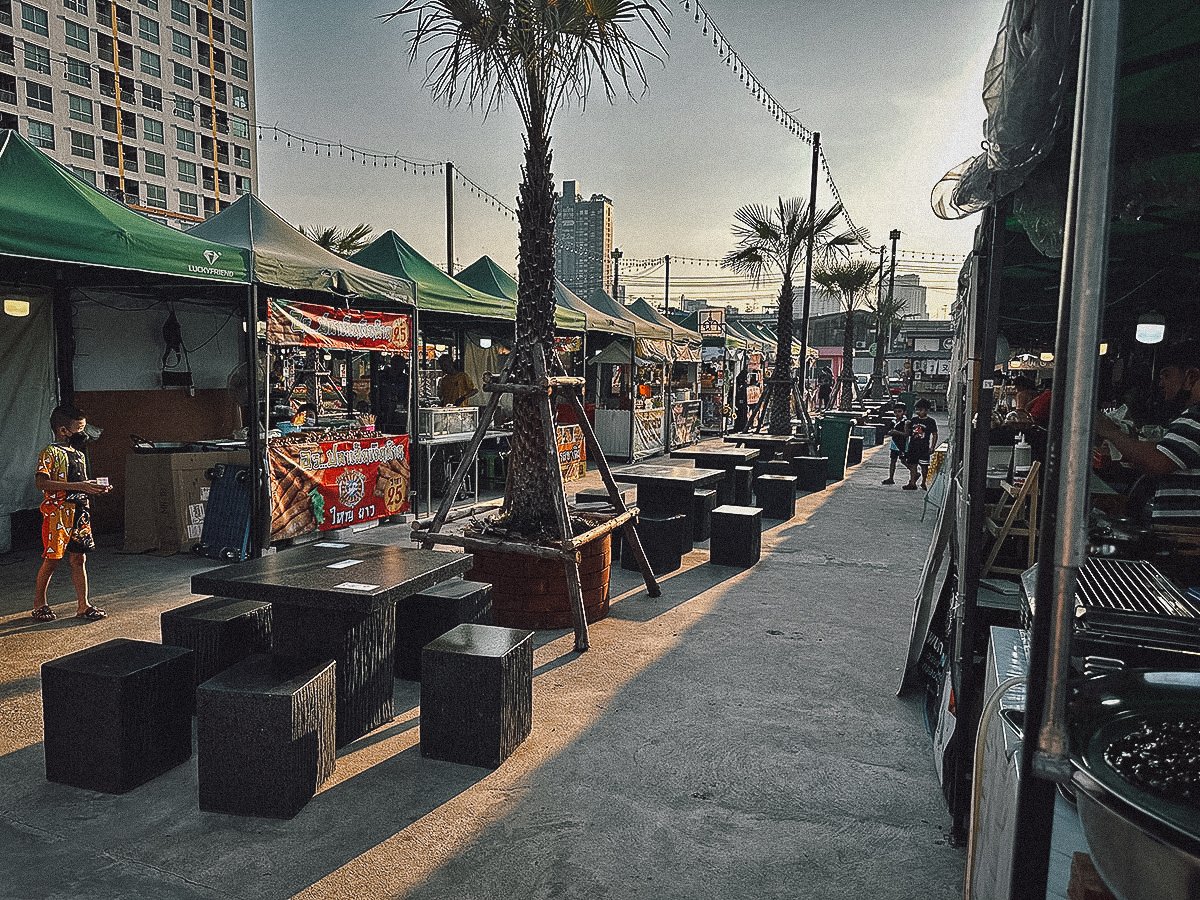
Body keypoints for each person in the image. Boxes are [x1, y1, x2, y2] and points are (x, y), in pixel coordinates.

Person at [1095, 340, 1200, 527]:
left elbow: (1158, 461)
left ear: (1191, 377)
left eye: (1166, 375)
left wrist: (1108, 430)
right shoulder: (1188, 418)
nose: (1161, 384)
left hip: (1188, 543)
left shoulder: (1195, 418)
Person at [32, 405, 111, 622]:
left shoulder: (79, 454)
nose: (83, 434)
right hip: (57, 513)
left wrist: (94, 487)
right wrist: (80, 486)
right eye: (79, 428)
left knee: (79, 558)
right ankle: (40, 604)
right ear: (63, 430)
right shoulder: (50, 452)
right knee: (52, 559)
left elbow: (81, 484)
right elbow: (41, 482)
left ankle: (83, 605)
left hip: (80, 512)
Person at [903, 398, 940, 491]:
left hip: (924, 447)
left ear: (926, 410)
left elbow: (934, 434)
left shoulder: (930, 421)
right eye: (917, 410)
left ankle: (923, 482)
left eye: (921, 410)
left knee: (924, 465)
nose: (918, 412)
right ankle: (912, 482)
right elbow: (907, 433)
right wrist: (906, 426)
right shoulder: (913, 420)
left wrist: (932, 447)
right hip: (913, 446)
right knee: (912, 465)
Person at [882, 401, 909, 485]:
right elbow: (888, 431)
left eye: (899, 411)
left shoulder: (906, 422)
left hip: (902, 444)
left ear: (904, 412)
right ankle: (891, 477)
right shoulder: (893, 421)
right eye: (895, 412)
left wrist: (896, 432)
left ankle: (913, 472)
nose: (897, 414)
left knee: (904, 460)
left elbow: (906, 434)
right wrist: (890, 432)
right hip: (894, 444)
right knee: (893, 461)